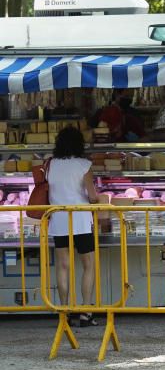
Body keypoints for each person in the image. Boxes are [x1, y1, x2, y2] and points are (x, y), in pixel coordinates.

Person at [48, 126, 100, 326]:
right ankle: (86, 313)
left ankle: (64, 312)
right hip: (80, 221)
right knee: (88, 265)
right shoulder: (84, 164)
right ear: (79, 144)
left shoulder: (51, 164)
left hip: (59, 219)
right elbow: (93, 196)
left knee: (62, 266)